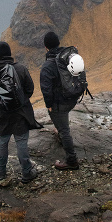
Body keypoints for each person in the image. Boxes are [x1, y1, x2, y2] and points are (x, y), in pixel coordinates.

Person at [0, 41, 42, 186]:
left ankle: (1, 174)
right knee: (21, 143)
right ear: (9, 54)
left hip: (0, 116)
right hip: (21, 115)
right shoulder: (21, 69)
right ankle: (27, 173)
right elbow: (29, 89)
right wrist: (20, 101)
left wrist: (0, 103)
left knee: (2, 144)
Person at [40, 31, 80, 170]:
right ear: (58, 43)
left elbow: (46, 89)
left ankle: (72, 161)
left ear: (46, 47)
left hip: (59, 103)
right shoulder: (67, 57)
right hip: (72, 98)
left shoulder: (47, 66)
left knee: (64, 131)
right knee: (62, 122)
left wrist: (49, 105)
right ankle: (60, 129)